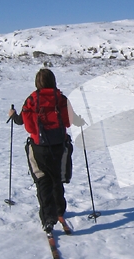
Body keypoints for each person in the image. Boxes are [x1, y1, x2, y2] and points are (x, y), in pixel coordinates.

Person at [8, 68, 85, 233]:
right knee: (56, 178)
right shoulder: (61, 99)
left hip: (39, 148)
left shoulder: (32, 100)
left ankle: (48, 218)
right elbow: (69, 120)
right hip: (59, 146)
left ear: (37, 83)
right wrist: (80, 120)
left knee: (43, 180)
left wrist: (13, 114)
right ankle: (59, 210)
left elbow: (22, 121)